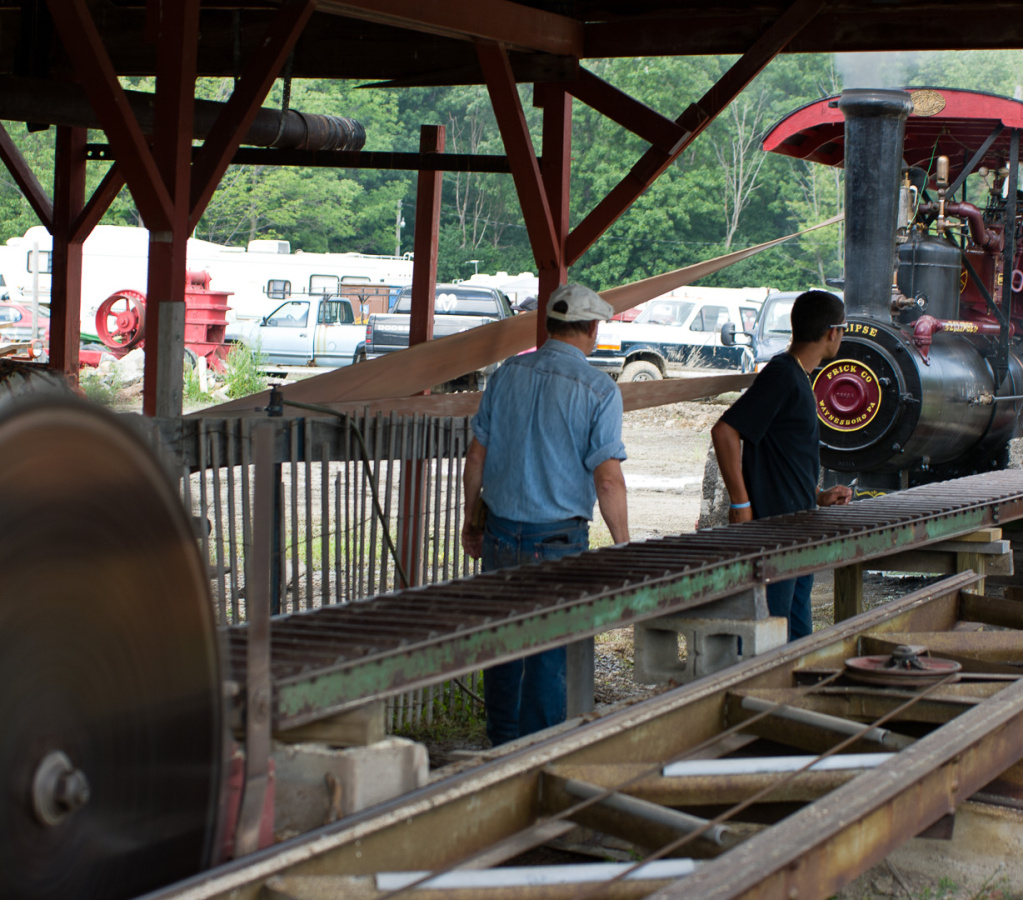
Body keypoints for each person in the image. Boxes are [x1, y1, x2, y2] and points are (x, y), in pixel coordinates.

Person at [461, 282, 630, 746]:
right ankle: (534, 760)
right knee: (547, 656)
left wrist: (471, 519)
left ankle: (499, 750)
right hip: (556, 541)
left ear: (550, 325)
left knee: (502, 649)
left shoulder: (507, 374)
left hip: (498, 534)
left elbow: (476, 458)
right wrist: (624, 547)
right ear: (592, 329)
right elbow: (608, 479)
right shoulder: (598, 389)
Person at [710, 289, 852, 641]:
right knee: (770, 633)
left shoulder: (799, 376)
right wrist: (740, 503)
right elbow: (725, 430)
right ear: (832, 331)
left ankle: (795, 693)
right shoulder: (782, 374)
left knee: (796, 631)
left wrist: (817, 495)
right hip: (776, 532)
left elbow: (781, 451)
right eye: (844, 328)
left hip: (799, 522)